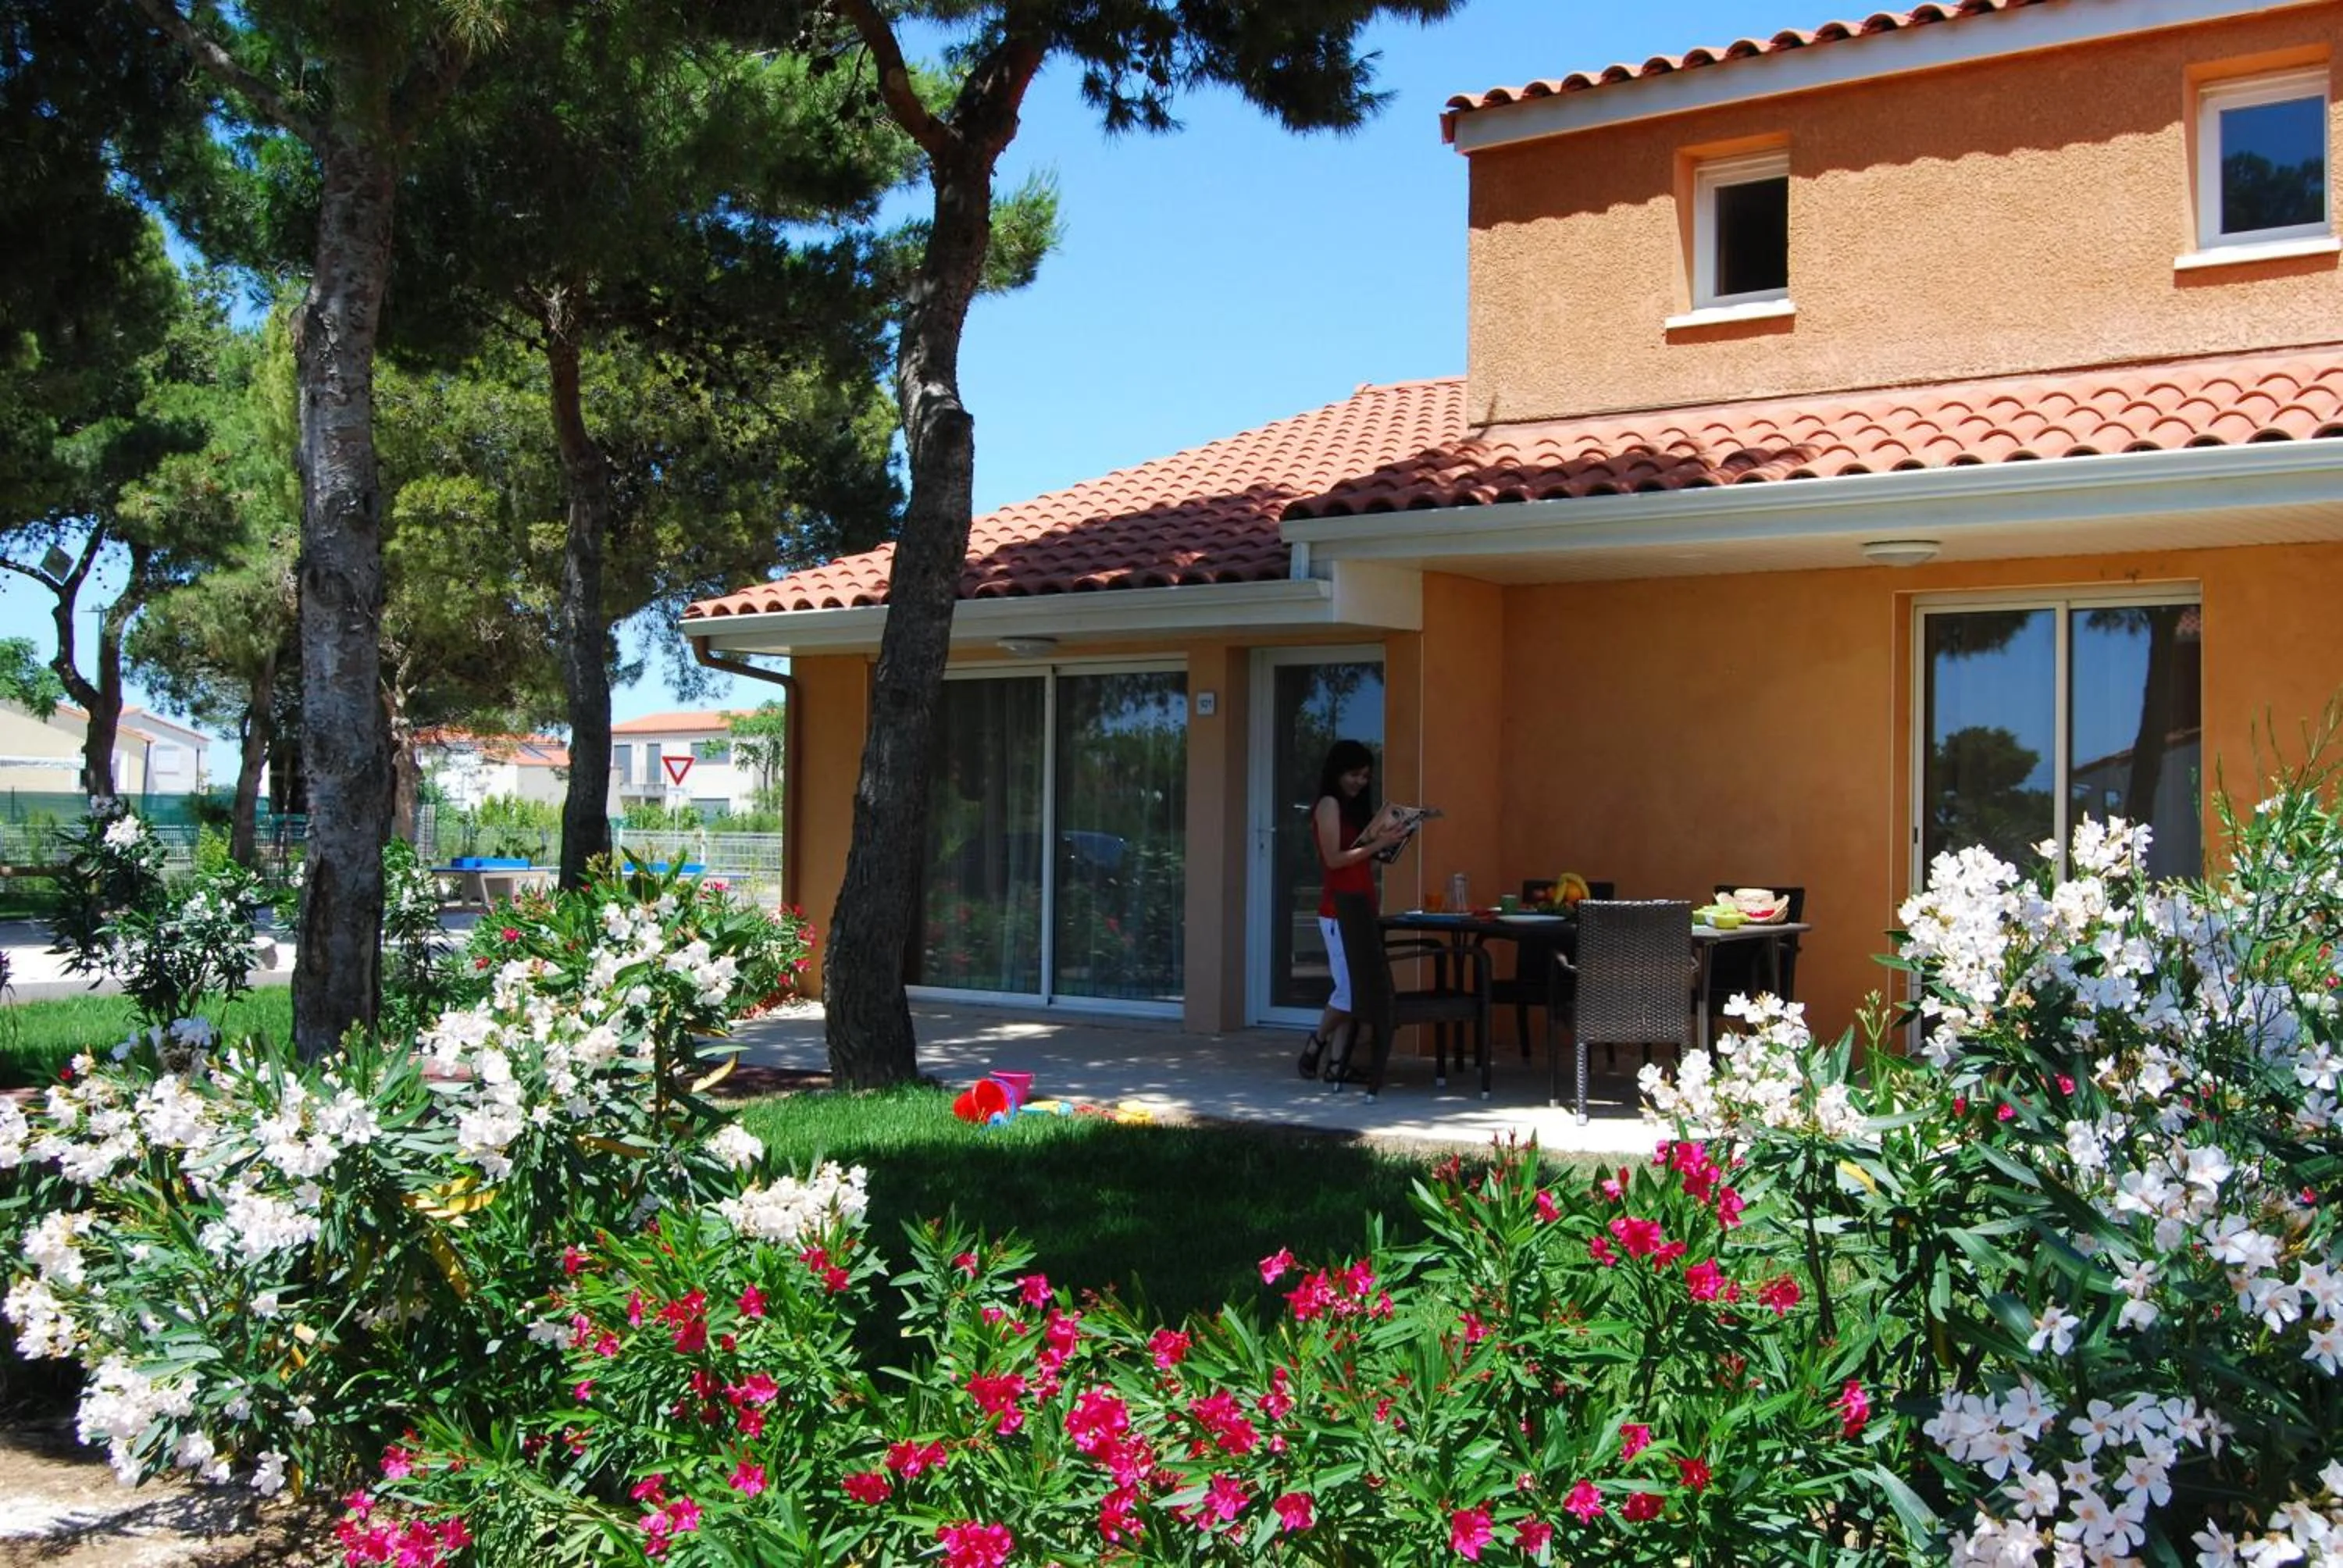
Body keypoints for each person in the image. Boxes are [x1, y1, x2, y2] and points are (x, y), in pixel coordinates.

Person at [1297, 739, 1399, 1083]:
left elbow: (1358, 856)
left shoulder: (1352, 809)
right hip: (1339, 910)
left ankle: (1338, 1065)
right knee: (1350, 990)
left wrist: (1388, 843)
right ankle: (1316, 1043)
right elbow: (1334, 859)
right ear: (1338, 771)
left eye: (1366, 776)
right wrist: (1377, 846)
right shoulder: (1328, 805)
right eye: (1354, 774)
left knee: (1348, 987)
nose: (1360, 782)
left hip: (1361, 905)